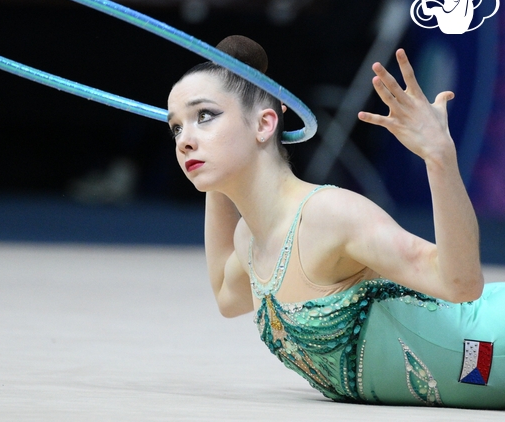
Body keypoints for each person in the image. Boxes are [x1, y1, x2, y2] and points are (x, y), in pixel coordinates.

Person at [166, 35, 504, 408]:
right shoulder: (250, 238)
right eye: (176, 127)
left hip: (490, 343)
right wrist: (218, 180)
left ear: (265, 124)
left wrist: (440, 158)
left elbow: (462, 284)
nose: (185, 140)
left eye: (205, 116)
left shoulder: (328, 215)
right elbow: (227, 298)